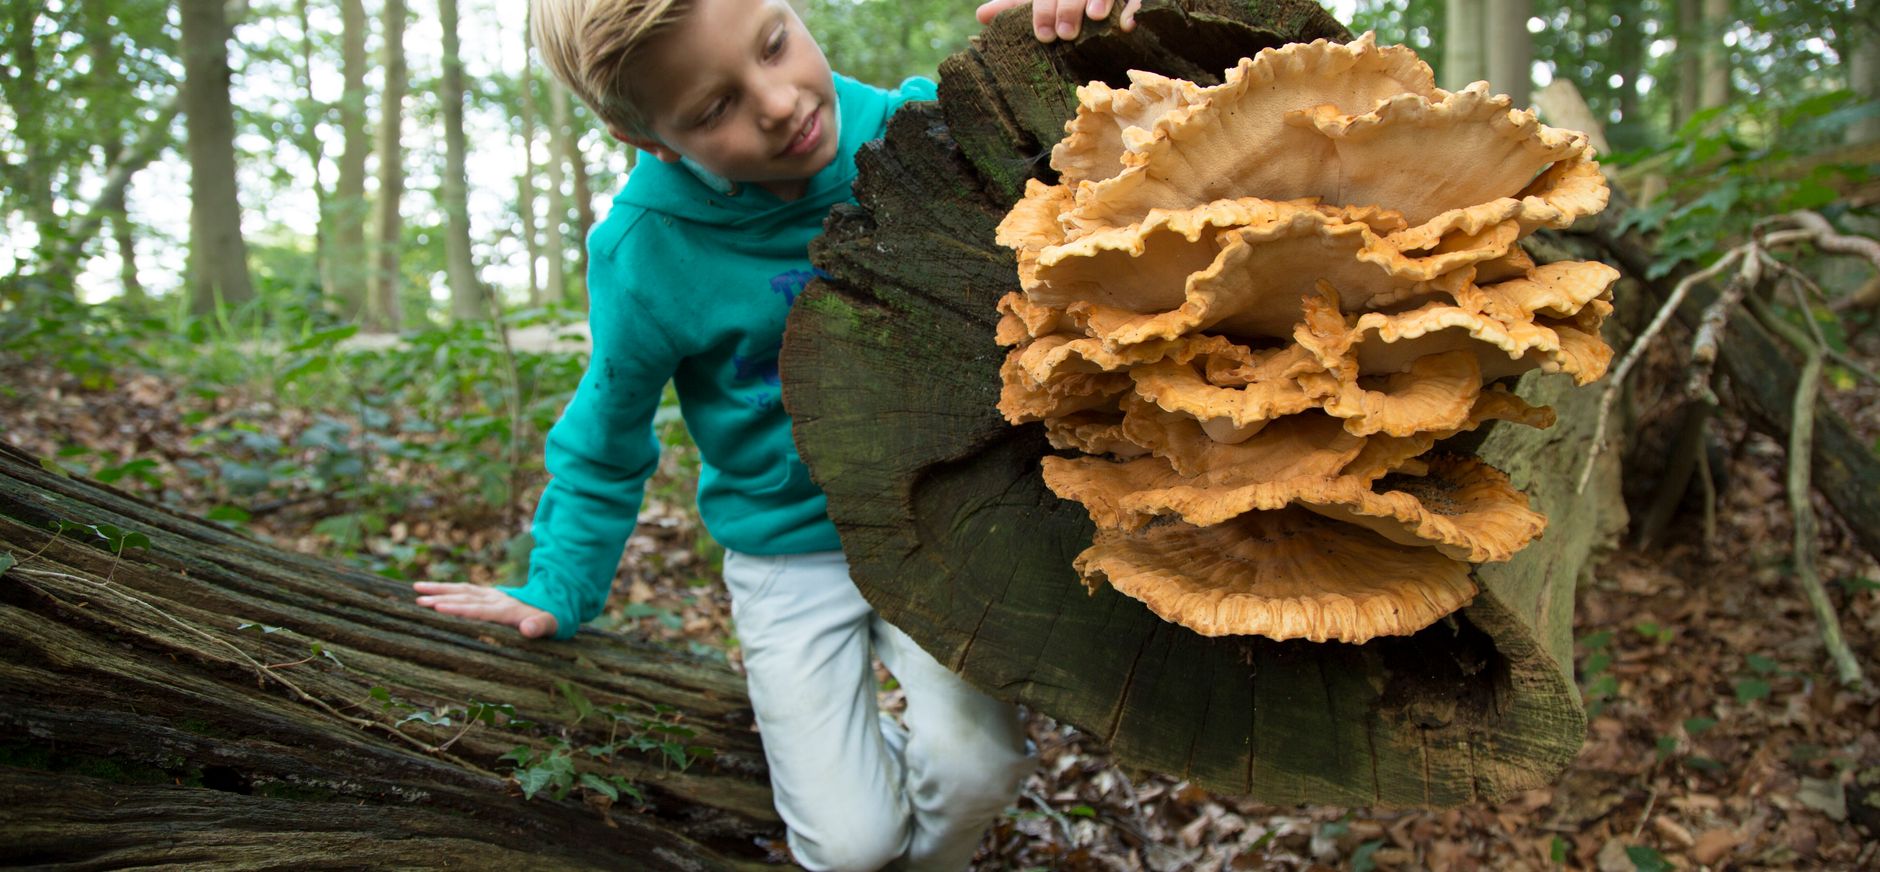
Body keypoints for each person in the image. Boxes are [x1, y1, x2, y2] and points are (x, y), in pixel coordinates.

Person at [414, 0, 1128, 867]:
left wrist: (1089, 26)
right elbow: (606, 434)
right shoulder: (647, 251)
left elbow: (1095, 138)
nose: (781, 102)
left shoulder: (919, 132)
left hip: (937, 522)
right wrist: (557, 586)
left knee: (977, 768)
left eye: (775, 43)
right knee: (852, 846)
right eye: (714, 108)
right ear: (648, 136)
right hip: (787, 556)